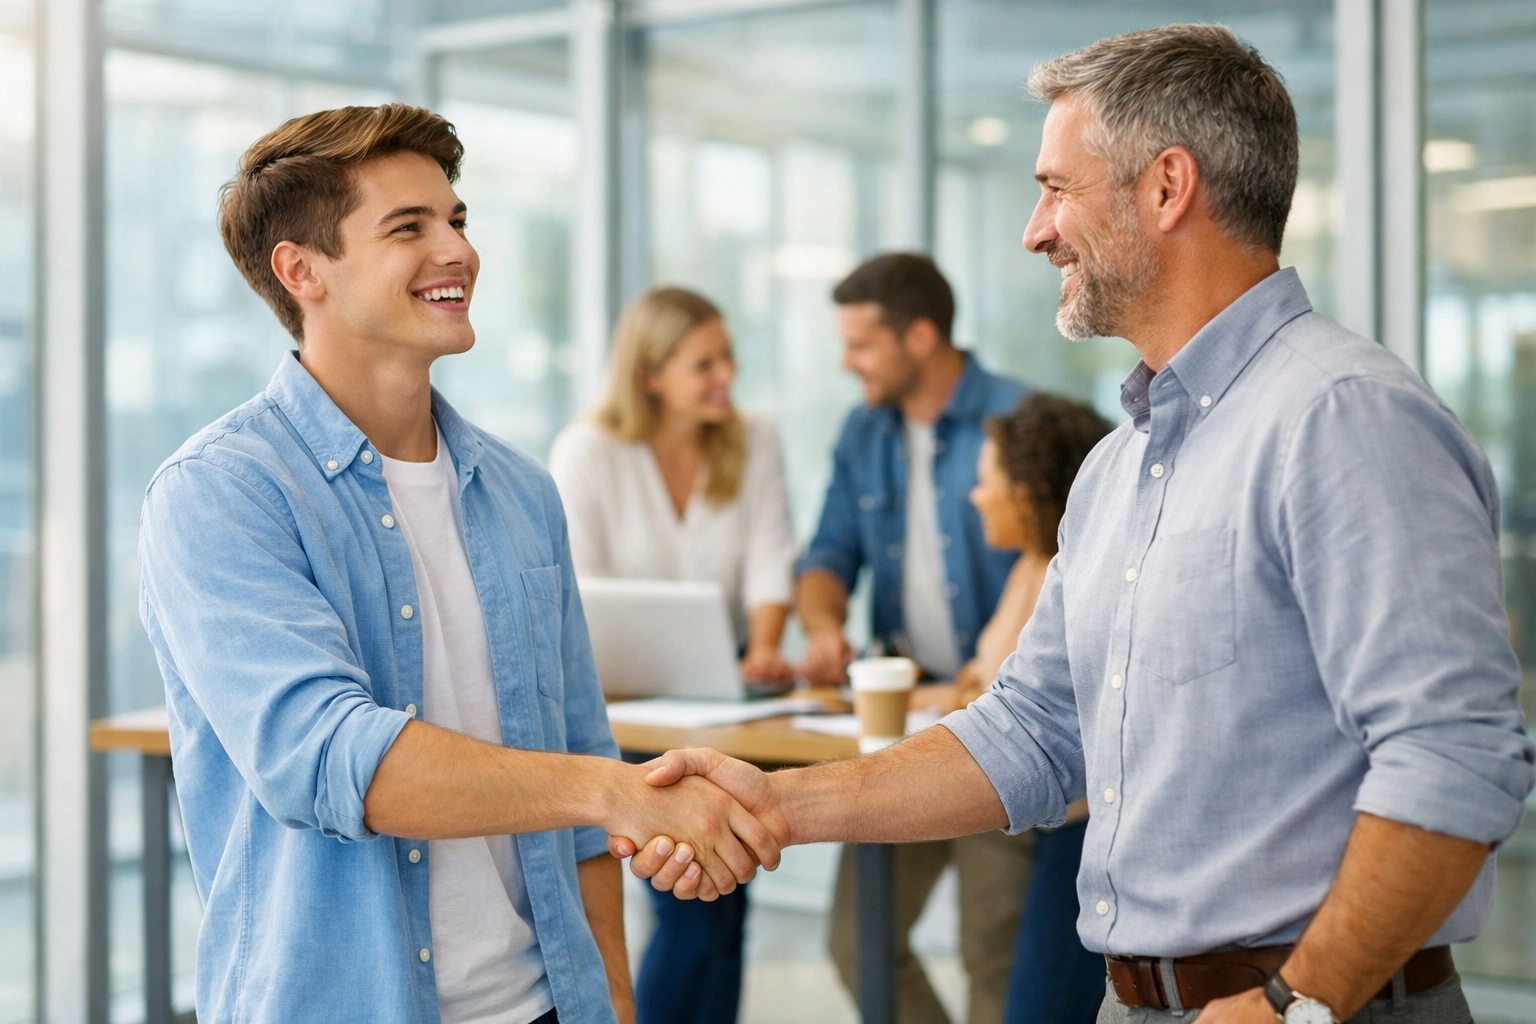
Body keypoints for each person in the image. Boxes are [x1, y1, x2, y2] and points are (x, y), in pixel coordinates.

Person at [619, 25, 1536, 1024]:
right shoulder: (1117, 465)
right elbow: (1033, 733)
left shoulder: (1341, 416)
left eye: (1056, 186)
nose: (1034, 229)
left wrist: (1298, 1003)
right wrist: (777, 803)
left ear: (1166, 187)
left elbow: (1456, 754)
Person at [137, 104, 778, 1024]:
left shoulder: (520, 493)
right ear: (301, 270)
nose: (459, 251)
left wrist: (615, 1004)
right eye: (410, 227)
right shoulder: (220, 492)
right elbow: (330, 759)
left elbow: (584, 776)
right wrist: (615, 792)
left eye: (458, 220)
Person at [547, 286, 798, 1024]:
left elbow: (771, 563)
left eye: (727, 358)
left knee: (723, 906)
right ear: (651, 374)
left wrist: (769, 644)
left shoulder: (753, 439)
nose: (725, 375)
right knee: (693, 910)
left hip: (726, 717)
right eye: (704, 363)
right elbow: (574, 592)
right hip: (622, 719)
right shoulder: (589, 451)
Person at [796, 253, 1034, 1024]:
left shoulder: (1019, 422)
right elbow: (827, 554)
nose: (846, 363)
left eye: (862, 345)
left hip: (1008, 719)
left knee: (992, 957)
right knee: (857, 943)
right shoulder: (864, 433)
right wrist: (825, 623)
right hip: (907, 723)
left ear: (921, 337)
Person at [958, 393, 1112, 1024]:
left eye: (985, 480)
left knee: (1033, 1000)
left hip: (1068, 831)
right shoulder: (1028, 569)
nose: (974, 496)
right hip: (1043, 824)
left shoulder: (1064, 572)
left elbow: (1027, 711)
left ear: (1027, 490)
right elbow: (983, 682)